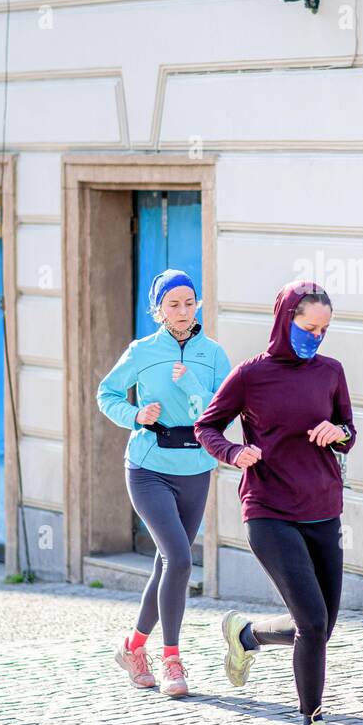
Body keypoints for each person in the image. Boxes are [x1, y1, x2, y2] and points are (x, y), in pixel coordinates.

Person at [195, 280, 356, 725]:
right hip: (268, 510)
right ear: (285, 319)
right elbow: (206, 425)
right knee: (311, 620)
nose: (316, 338)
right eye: (308, 327)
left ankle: (246, 637)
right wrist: (233, 451)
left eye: (324, 330)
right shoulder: (251, 375)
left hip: (324, 507)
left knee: (322, 626)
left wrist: (338, 431)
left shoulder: (331, 372)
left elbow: (349, 430)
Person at [96, 268, 231, 697]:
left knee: (165, 564)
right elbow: (107, 394)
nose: (182, 311)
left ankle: (133, 647)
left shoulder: (214, 355)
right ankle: (172, 659)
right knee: (179, 559)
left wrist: (190, 383)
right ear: (158, 309)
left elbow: (223, 412)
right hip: (148, 466)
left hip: (196, 467)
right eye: (173, 304)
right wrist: (135, 415)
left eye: (189, 302)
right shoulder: (141, 351)